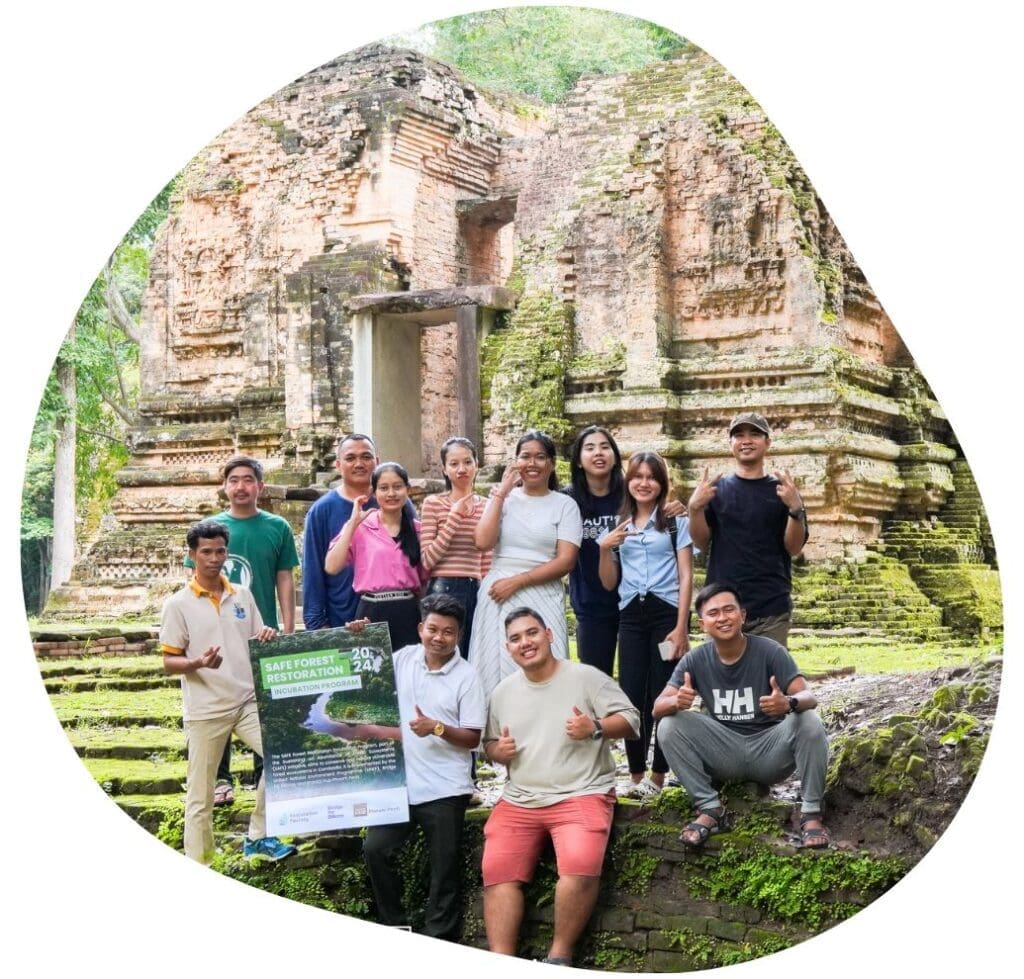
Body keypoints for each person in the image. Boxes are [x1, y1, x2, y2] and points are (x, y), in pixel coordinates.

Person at [481, 607, 640, 966]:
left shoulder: (585, 677)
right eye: (516, 638)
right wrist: (497, 751)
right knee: (497, 869)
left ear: (550, 635)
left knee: (581, 862)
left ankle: (559, 957)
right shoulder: (502, 693)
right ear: (508, 648)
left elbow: (631, 720)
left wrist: (595, 727)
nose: (526, 643)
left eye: (532, 633)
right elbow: (488, 744)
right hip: (520, 798)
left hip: (581, 792)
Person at [653, 582, 829, 849]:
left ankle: (811, 814)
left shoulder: (770, 651)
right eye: (713, 613)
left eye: (729, 610)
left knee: (809, 721)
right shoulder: (695, 660)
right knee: (669, 724)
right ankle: (710, 809)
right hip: (724, 752)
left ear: (742, 615)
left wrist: (788, 703)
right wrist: (676, 701)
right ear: (702, 624)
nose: (722, 618)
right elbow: (657, 707)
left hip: (770, 751)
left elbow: (810, 698)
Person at [160, 519, 296, 864]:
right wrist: (197, 663)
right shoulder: (178, 605)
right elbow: (169, 661)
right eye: (206, 551)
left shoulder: (242, 595)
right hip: (206, 709)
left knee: (283, 756)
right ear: (192, 555)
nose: (214, 558)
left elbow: (254, 639)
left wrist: (267, 635)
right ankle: (201, 861)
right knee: (200, 796)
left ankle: (259, 837)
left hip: (246, 700)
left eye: (220, 550)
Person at [362, 593, 485, 941]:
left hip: (446, 788)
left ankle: (439, 937)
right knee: (375, 849)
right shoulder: (402, 660)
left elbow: (474, 738)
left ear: (458, 635)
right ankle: (395, 926)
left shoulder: (467, 677)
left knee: (444, 866)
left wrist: (438, 728)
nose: (439, 637)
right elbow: (362, 665)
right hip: (400, 786)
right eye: (433, 629)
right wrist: (357, 633)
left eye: (448, 632)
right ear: (420, 628)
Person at [187, 454, 299, 805]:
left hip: (262, 633)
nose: (241, 486)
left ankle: (268, 778)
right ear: (225, 487)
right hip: (215, 635)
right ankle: (221, 780)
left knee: (265, 706)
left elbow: (284, 578)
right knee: (216, 703)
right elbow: (192, 582)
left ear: (260, 486)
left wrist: (287, 626)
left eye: (248, 479)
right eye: (234, 480)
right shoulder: (210, 528)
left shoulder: (277, 527)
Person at [597, 451, 694, 800]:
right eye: (637, 476)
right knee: (631, 694)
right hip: (631, 616)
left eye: (651, 477)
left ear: (661, 483)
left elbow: (686, 576)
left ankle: (658, 774)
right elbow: (609, 583)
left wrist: (682, 626)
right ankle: (636, 774)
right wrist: (604, 550)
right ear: (629, 481)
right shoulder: (619, 525)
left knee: (664, 694)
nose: (644, 483)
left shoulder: (674, 523)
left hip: (666, 615)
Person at [564, 426, 689, 677]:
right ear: (578, 459)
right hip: (593, 606)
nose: (598, 453)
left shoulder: (631, 490)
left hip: (643, 608)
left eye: (605, 446)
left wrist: (679, 506)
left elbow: (656, 502)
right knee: (596, 679)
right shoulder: (568, 500)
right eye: (590, 448)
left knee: (655, 678)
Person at [470, 430, 582, 694]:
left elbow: (566, 561)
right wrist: (500, 494)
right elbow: (483, 542)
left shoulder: (565, 505)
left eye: (540, 457)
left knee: (547, 667)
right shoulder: (503, 499)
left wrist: (519, 581)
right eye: (525, 457)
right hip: (498, 592)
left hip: (542, 589)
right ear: (515, 462)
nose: (532, 463)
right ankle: (496, 733)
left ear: (551, 464)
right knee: (494, 672)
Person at [687, 411, 808, 647]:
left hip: (770, 606)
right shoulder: (716, 490)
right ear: (731, 443)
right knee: (720, 680)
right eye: (739, 435)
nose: (746, 440)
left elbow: (793, 547)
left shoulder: (784, 491)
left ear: (767, 442)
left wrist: (795, 508)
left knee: (769, 680)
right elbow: (701, 542)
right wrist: (694, 508)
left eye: (755, 434)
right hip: (723, 608)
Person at [325, 461, 423, 650]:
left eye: (397, 487)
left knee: (408, 671)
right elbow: (331, 566)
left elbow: (425, 581)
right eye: (384, 488)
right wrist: (353, 523)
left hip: (409, 611)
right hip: (371, 611)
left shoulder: (419, 530)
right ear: (374, 492)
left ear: (408, 490)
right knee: (374, 675)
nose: (391, 494)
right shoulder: (361, 527)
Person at [420, 436, 491, 659]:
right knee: (440, 657)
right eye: (454, 464)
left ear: (477, 465)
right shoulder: (434, 503)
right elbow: (427, 560)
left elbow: (487, 558)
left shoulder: (487, 506)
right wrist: (453, 517)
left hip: (476, 588)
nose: (462, 469)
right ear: (444, 469)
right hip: (443, 587)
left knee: (472, 655)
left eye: (468, 462)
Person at [301, 433, 379, 632]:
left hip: (390, 615)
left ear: (377, 462)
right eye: (350, 458)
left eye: (366, 457)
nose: (359, 464)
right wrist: (318, 626)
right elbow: (313, 572)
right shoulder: (321, 511)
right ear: (338, 465)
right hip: (341, 620)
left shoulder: (393, 503)